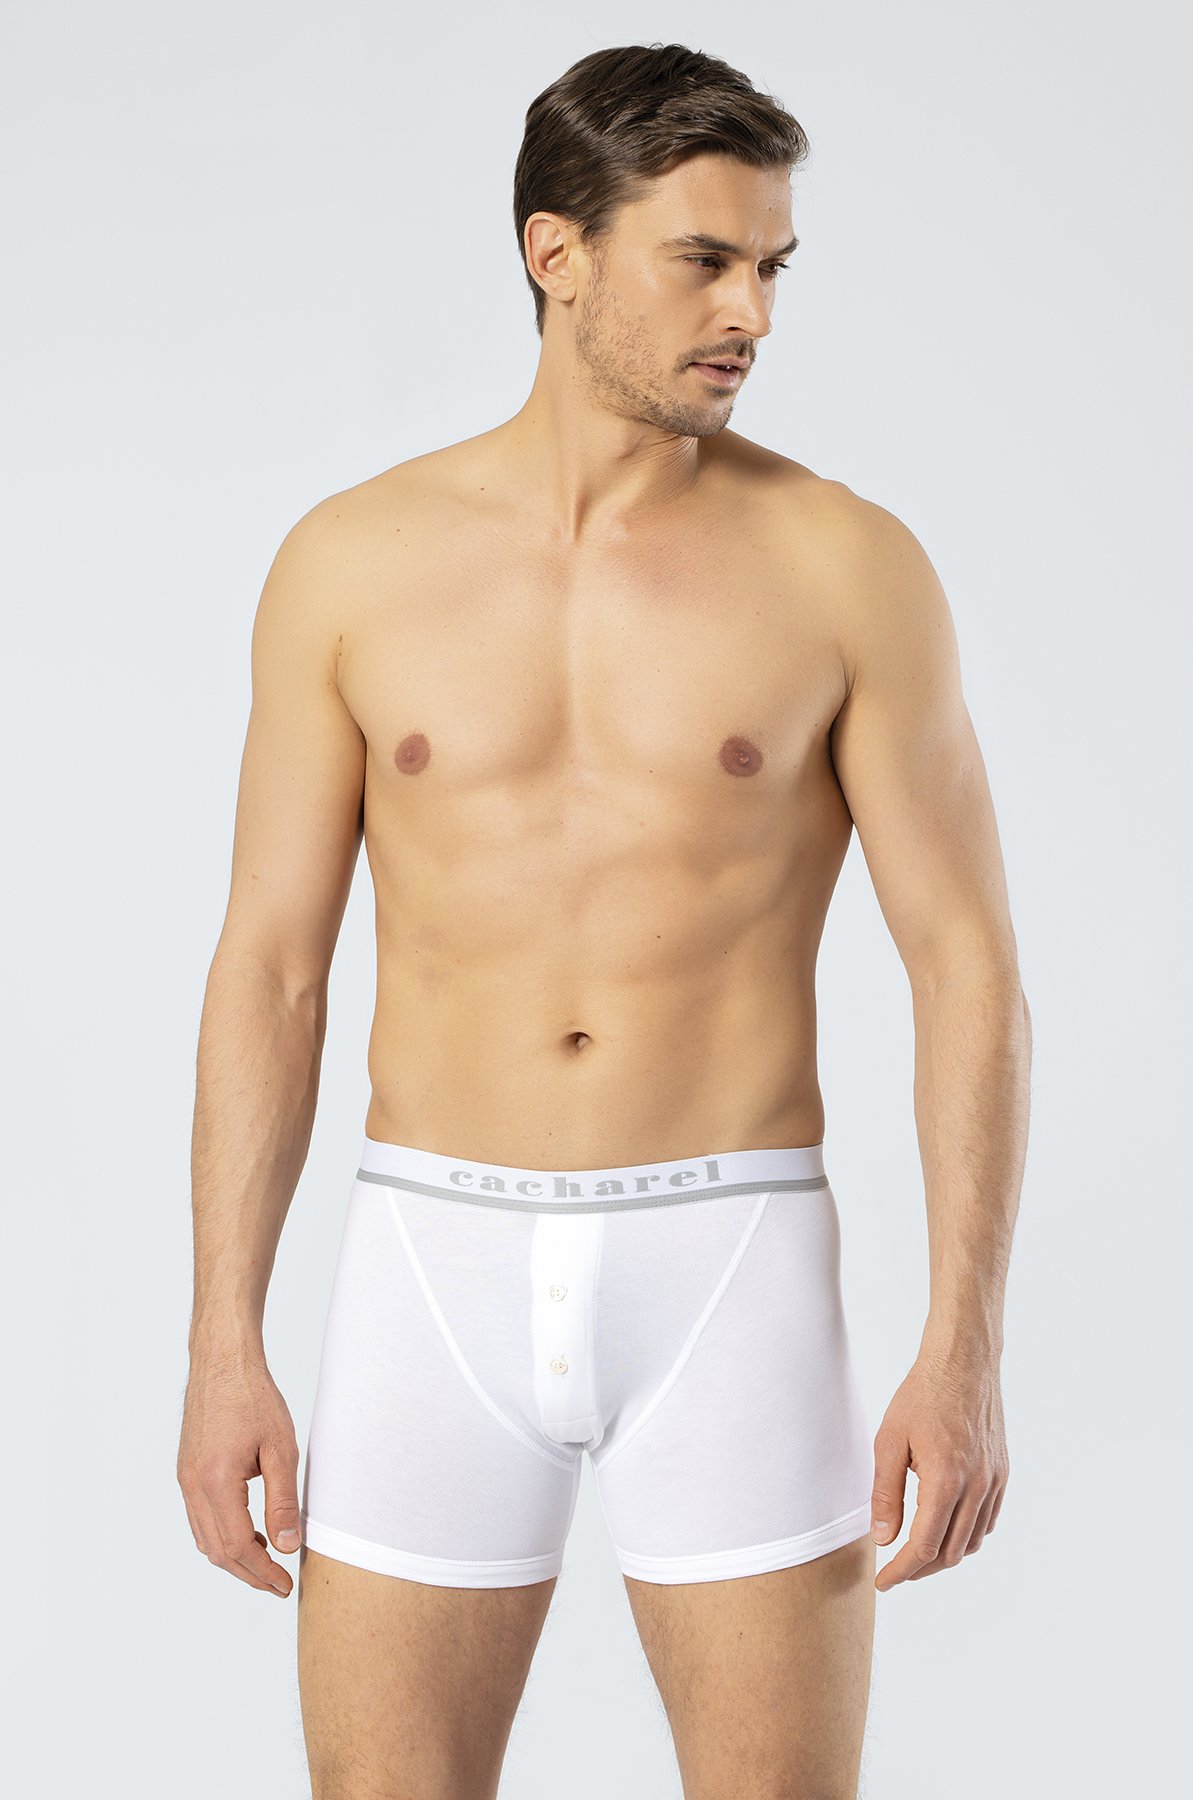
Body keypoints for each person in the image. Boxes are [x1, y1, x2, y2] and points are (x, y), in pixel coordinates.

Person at [177, 40, 1031, 1800]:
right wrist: (220, 1341)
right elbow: (270, 968)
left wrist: (965, 1350)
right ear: (553, 253)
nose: (752, 313)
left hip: (731, 1263)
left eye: (773, 266)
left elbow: (968, 968)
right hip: (430, 1263)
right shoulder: (351, 562)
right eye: (704, 260)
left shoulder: (847, 566)